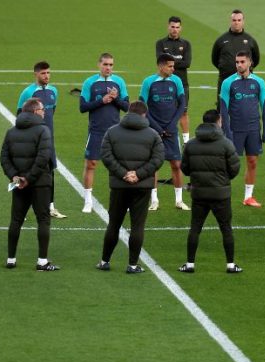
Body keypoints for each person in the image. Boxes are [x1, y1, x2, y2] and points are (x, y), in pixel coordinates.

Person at [96, 101, 164, 274]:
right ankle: (133, 265)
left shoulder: (112, 132)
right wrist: (139, 175)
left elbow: (106, 156)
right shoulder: (153, 134)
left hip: (119, 185)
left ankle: (104, 261)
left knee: (114, 224)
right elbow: (157, 160)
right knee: (138, 226)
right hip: (142, 187)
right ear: (144, 115)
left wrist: (123, 174)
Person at [179, 109, 242, 273]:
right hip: (221, 193)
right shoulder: (226, 143)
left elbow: (185, 168)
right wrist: (223, 180)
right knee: (226, 228)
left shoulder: (191, 144)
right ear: (218, 121)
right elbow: (235, 168)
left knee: (195, 228)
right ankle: (230, 265)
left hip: (199, 193)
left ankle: (190, 264)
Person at [0, 98, 59, 271]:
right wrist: (29, 178)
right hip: (39, 183)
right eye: (42, 109)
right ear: (34, 111)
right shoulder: (43, 130)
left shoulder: (11, 132)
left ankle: (11, 259)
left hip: (19, 184)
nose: (44, 112)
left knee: (16, 220)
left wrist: (15, 177)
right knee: (43, 220)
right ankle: (42, 261)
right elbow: (43, 158)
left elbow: (4, 158)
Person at [79, 53, 129, 213]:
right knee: (91, 164)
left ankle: (121, 200)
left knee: (119, 166)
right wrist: (102, 101)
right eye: (105, 64)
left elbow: (127, 107)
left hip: (116, 131)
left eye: (111, 65)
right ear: (99, 65)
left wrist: (115, 99)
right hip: (96, 130)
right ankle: (87, 201)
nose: (108, 68)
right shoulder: (90, 82)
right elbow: (82, 107)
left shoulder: (119, 82)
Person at [139, 53, 189, 211]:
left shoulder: (176, 81)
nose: (173, 69)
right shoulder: (148, 82)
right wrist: (158, 128)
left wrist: (172, 124)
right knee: (154, 165)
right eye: (170, 66)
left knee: (176, 164)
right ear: (161, 66)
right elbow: (143, 106)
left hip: (171, 130)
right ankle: (154, 200)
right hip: (154, 130)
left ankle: (179, 200)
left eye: (173, 66)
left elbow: (182, 104)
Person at [219, 51, 265, 207]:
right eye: (237, 62)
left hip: (254, 129)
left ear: (250, 63)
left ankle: (248, 197)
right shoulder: (228, 83)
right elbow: (223, 110)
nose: (239, 65)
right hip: (235, 129)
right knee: (228, 164)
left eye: (242, 62)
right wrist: (227, 132)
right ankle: (221, 195)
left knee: (252, 162)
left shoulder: (259, 82)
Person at [17, 61, 66, 219]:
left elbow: (52, 112)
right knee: (27, 172)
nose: (47, 76)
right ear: (36, 74)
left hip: (48, 139)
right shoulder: (28, 93)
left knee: (50, 171)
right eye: (43, 73)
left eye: (48, 73)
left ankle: (51, 206)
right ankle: (21, 208)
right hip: (32, 141)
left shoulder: (53, 91)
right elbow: (20, 115)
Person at [211, 9, 260, 107]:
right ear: (231, 21)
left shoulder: (250, 40)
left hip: (245, 82)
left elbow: (256, 59)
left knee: (245, 109)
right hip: (225, 81)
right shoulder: (221, 40)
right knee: (223, 110)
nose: (236, 23)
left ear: (243, 21)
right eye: (234, 20)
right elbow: (214, 59)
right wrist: (225, 68)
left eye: (239, 20)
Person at [156, 16, 192, 144]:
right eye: (172, 27)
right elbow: (160, 61)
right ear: (168, 27)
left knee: (183, 112)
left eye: (177, 27)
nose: (175, 30)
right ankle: (162, 139)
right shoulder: (160, 43)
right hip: (164, 83)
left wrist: (169, 61)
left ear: (180, 28)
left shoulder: (186, 44)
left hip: (182, 83)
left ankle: (186, 142)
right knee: (163, 111)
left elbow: (187, 63)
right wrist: (178, 61)